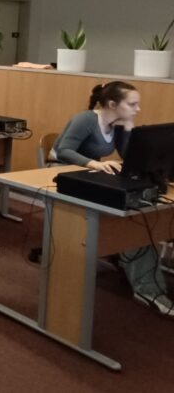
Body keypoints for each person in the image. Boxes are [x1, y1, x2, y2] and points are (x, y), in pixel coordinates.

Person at [52, 81, 172, 315]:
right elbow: (63, 150)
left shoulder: (116, 124)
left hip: (91, 175)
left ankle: (138, 270)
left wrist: (128, 128)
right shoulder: (86, 119)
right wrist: (94, 163)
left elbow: (128, 157)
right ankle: (144, 281)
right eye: (132, 104)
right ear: (112, 104)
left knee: (135, 215)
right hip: (61, 172)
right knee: (129, 220)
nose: (137, 109)